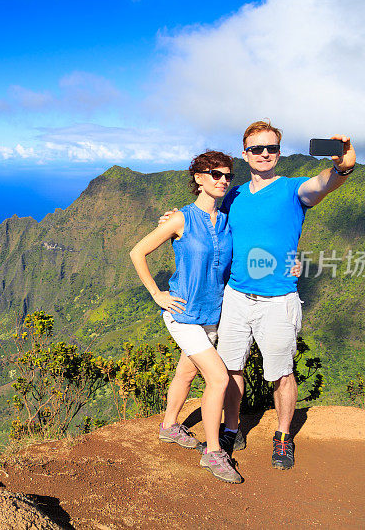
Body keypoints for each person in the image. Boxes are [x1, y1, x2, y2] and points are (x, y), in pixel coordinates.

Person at [160, 120, 355, 470]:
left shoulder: (293, 190)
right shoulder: (231, 195)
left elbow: (324, 183)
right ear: (246, 153)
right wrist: (173, 218)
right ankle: (232, 428)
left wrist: (344, 166)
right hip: (234, 296)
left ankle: (282, 437)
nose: (264, 154)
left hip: (278, 299)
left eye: (271, 148)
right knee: (231, 367)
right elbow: (203, 218)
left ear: (279, 153)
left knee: (281, 371)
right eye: (256, 149)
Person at [130, 150, 243, 484]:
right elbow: (138, 252)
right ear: (198, 178)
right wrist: (157, 294)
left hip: (213, 314)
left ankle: (169, 426)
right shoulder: (181, 219)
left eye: (227, 176)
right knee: (219, 379)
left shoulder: (227, 218)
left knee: (187, 371)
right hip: (182, 314)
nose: (222, 180)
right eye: (214, 174)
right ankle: (212, 453)